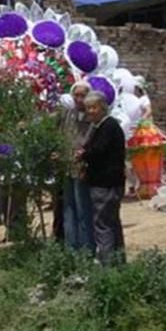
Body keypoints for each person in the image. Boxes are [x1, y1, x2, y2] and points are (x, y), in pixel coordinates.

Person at [78, 91, 126, 265]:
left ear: (103, 108)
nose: (90, 111)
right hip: (110, 182)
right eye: (88, 108)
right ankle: (119, 262)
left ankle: (107, 265)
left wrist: (82, 155)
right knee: (112, 223)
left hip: (105, 183)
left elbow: (98, 151)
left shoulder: (108, 126)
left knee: (103, 225)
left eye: (94, 107)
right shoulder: (101, 126)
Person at [60, 82, 95, 252]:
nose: (79, 99)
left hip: (83, 168)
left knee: (83, 210)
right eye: (77, 96)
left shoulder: (92, 117)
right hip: (67, 165)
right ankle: (71, 248)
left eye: (83, 95)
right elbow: (61, 134)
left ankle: (87, 249)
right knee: (68, 209)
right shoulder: (68, 114)